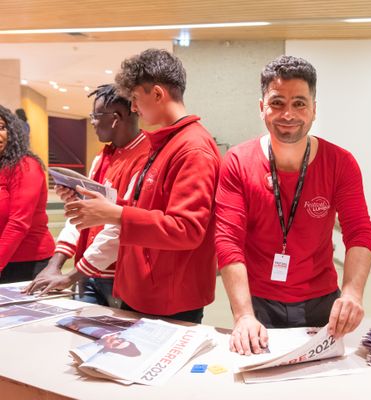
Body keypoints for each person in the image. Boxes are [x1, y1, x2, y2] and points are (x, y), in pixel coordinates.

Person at [215, 55, 371, 355]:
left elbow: (360, 232)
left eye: (299, 103)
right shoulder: (237, 161)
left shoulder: (340, 163)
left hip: (322, 299)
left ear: (314, 110)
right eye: (277, 103)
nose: (288, 113)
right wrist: (243, 315)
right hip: (258, 300)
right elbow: (227, 240)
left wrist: (353, 294)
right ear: (261, 106)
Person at [63, 49, 221, 323]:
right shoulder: (166, 143)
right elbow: (147, 207)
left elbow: (187, 229)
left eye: (135, 98)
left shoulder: (193, 148)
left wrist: (116, 214)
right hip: (145, 287)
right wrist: (107, 206)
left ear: (158, 94)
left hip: (169, 295)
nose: (134, 108)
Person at [24, 84, 150, 307]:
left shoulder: (147, 157)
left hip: (120, 276)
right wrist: (56, 263)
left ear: (116, 117)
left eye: (95, 115)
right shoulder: (103, 156)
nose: (91, 122)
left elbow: (121, 228)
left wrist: (71, 275)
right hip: (87, 272)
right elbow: (86, 215)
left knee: (116, 340)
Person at [0, 105, 54, 283]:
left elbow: (18, 223)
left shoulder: (26, 166)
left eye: (1, 127)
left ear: (13, 131)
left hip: (28, 264)